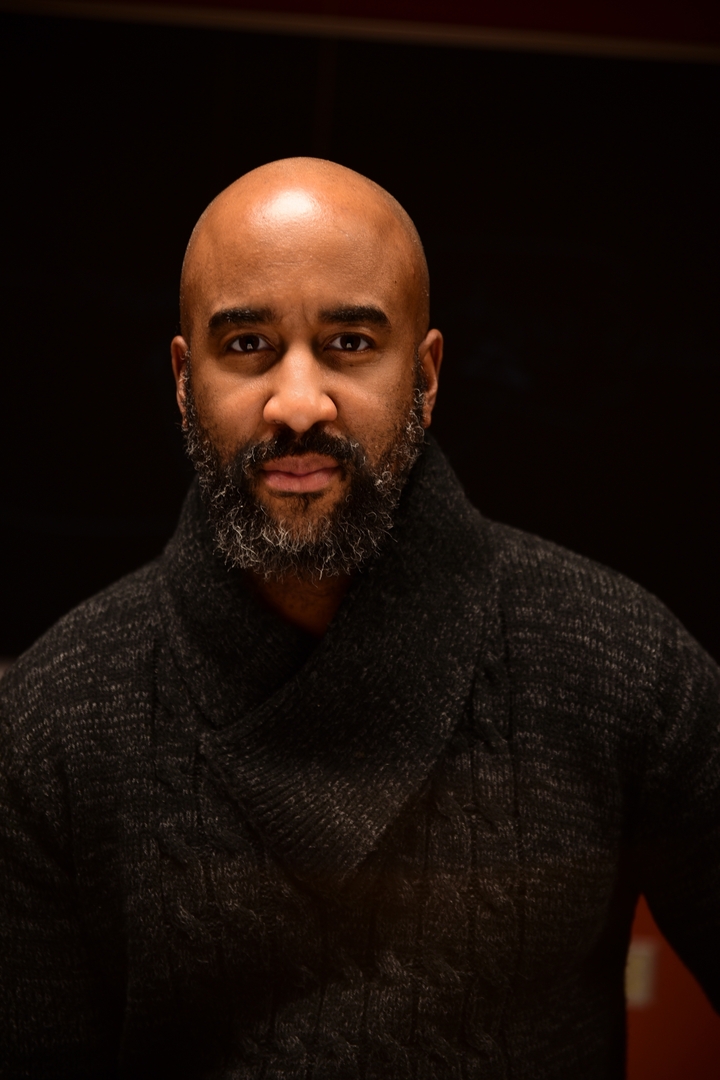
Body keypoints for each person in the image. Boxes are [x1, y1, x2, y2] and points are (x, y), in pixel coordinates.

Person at [0, 158, 718, 1080]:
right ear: (183, 380)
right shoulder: (53, 720)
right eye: (248, 344)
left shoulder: (621, 663)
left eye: (348, 343)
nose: (299, 404)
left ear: (426, 375)